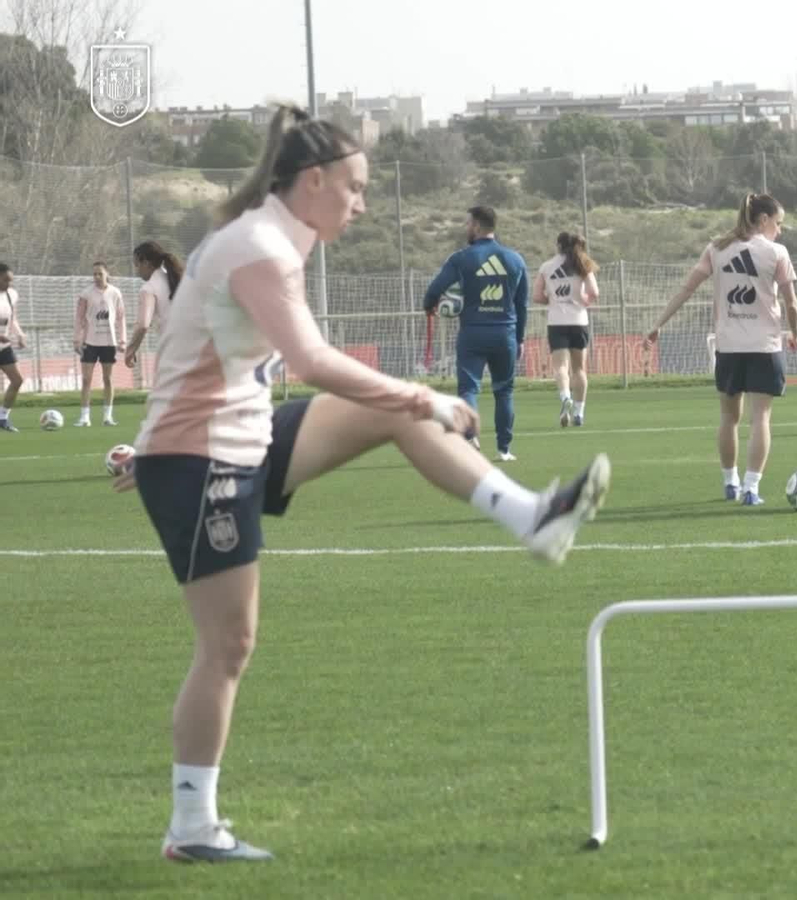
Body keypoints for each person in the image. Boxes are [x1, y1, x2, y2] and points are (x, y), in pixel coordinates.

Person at [117, 104, 611, 864]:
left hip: (236, 439)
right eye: (355, 187)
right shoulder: (259, 245)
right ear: (313, 180)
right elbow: (310, 361)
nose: (363, 204)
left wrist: (410, 399)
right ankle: (191, 827)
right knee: (228, 644)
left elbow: (208, 352)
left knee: (392, 412)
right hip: (202, 458)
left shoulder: (273, 237)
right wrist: (423, 395)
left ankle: (531, 517)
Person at [646, 193, 797, 505]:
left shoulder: (716, 248)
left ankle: (730, 482)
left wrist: (658, 323)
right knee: (760, 418)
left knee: (728, 418)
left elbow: (686, 289)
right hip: (764, 346)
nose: (780, 230)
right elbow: (791, 303)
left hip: (729, 347)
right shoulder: (776, 252)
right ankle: (751, 489)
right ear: (763, 220)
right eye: (778, 223)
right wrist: (795, 333)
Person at [422, 206, 529, 461]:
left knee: (468, 389)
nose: (466, 228)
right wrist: (520, 338)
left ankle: (470, 437)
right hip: (505, 333)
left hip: (473, 334)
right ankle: (504, 449)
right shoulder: (515, 259)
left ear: (478, 226)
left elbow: (435, 289)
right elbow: (522, 305)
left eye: (468, 223)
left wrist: (430, 305)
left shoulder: (461, 258)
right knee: (504, 391)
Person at [534, 232, 598, 427]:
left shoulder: (547, 267)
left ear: (558, 245)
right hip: (579, 321)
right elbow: (594, 292)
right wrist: (583, 301)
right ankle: (579, 413)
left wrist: (552, 300)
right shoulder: (583, 264)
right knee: (579, 369)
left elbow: (537, 296)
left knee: (561, 366)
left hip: (557, 322)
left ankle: (565, 397)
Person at [74, 261, 127, 426]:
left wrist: (122, 340)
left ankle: (107, 417)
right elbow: (79, 318)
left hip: (109, 342)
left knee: (108, 379)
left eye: (100, 274)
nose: (97, 277)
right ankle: (85, 417)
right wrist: (77, 339)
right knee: (86, 379)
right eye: (94, 274)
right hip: (89, 342)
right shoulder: (86, 293)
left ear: (107, 274)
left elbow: (121, 318)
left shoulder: (115, 293)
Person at [126, 240, 185, 371]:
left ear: (146, 263)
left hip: (173, 350)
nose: (137, 271)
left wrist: (130, 351)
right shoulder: (178, 279)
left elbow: (143, 325)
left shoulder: (149, 288)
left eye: (137, 265)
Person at [0, 262, 25, 433]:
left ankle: (3, 417)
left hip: (4, 347)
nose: (9, 283)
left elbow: (12, 319)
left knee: (17, 380)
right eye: (5, 280)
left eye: (10, 280)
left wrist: (20, 335)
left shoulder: (11, 295)